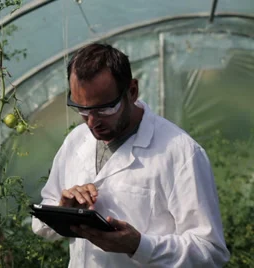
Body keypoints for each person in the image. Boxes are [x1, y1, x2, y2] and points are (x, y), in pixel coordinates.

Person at [31, 43, 230, 267]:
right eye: (82, 109)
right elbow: (41, 225)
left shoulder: (180, 153)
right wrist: (62, 211)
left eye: (105, 109)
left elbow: (210, 252)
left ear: (132, 91)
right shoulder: (76, 141)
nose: (92, 122)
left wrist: (139, 246)